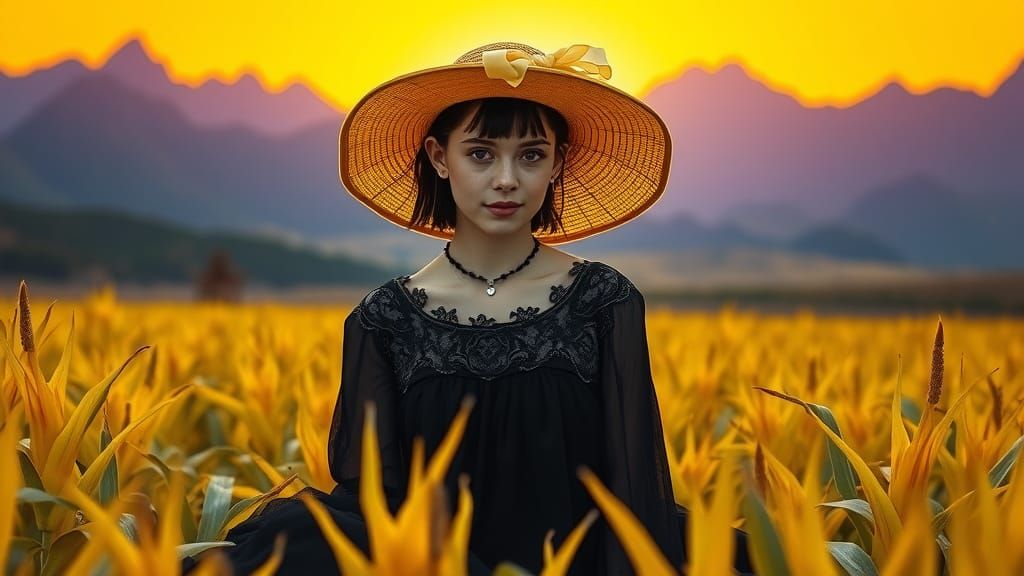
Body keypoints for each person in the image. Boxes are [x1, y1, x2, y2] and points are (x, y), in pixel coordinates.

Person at [183, 41, 754, 575]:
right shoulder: (384, 320)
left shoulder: (605, 303)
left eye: (531, 155)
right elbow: (375, 506)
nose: (506, 180)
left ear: (558, 163)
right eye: (480, 154)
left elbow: (634, 493)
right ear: (438, 156)